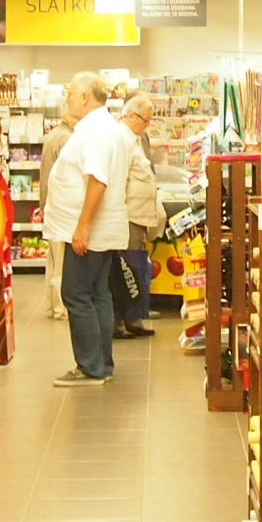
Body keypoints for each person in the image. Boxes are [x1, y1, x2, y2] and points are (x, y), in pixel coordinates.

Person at [43, 72, 128, 386]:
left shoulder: (94, 130)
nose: (66, 100)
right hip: (101, 229)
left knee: (76, 294)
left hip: (90, 231)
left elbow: (98, 180)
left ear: (83, 97)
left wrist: (82, 227)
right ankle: (102, 364)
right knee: (98, 293)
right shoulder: (106, 127)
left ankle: (91, 367)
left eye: (70, 94)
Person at [115, 93, 158, 339]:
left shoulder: (135, 140)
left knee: (136, 266)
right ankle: (123, 319)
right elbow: (119, 181)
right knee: (128, 269)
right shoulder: (122, 141)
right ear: (131, 115)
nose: (147, 125)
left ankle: (133, 318)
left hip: (138, 218)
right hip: (128, 218)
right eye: (145, 120)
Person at [39, 104, 76, 320]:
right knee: (63, 261)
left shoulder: (54, 135)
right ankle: (62, 307)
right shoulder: (67, 139)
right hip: (61, 208)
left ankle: (51, 304)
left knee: (53, 260)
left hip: (50, 205)